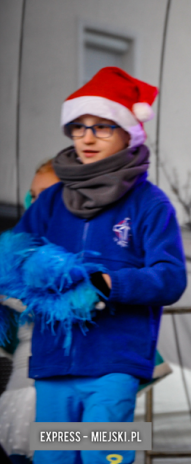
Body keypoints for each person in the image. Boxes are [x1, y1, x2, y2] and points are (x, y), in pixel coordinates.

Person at [13, 66, 187, 464]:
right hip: (54, 364)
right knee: (53, 461)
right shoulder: (51, 201)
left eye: (103, 126)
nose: (87, 137)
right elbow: (15, 261)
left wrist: (111, 282)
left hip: (115, 364)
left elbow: (172, 277)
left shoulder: (150, 203)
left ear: (130, 133)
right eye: (79, 127)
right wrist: (36, 272)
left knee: (103, 457)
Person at [0, 159, 57, 464]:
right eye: (33, 196)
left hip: (69, 387)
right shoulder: (15, 251)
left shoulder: (86, 250)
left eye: (46, 194)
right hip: (26, 388)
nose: (36, 204)